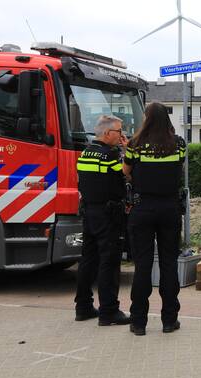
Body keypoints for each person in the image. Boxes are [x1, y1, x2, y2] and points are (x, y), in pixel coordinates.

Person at [122, 103, 187, 336]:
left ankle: (138, 322)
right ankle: (169, 320)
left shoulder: (135, 144)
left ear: (146, 119)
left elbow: (125, 171)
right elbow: (178, 168)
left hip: (142, 209)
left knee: (143, 265)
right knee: (169, 264)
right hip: (169, 208)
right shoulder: (178, 144)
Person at [74, 115, 131, 326]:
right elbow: (127, 174)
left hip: (89, 212)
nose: (122, 135)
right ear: (107, 133)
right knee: (109, 261)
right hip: (108, 214)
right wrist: (128, 152)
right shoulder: (109, 156)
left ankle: (83, 307)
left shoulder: (85, 153)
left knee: (88, 259)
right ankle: (109, 311)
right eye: (119, 131)